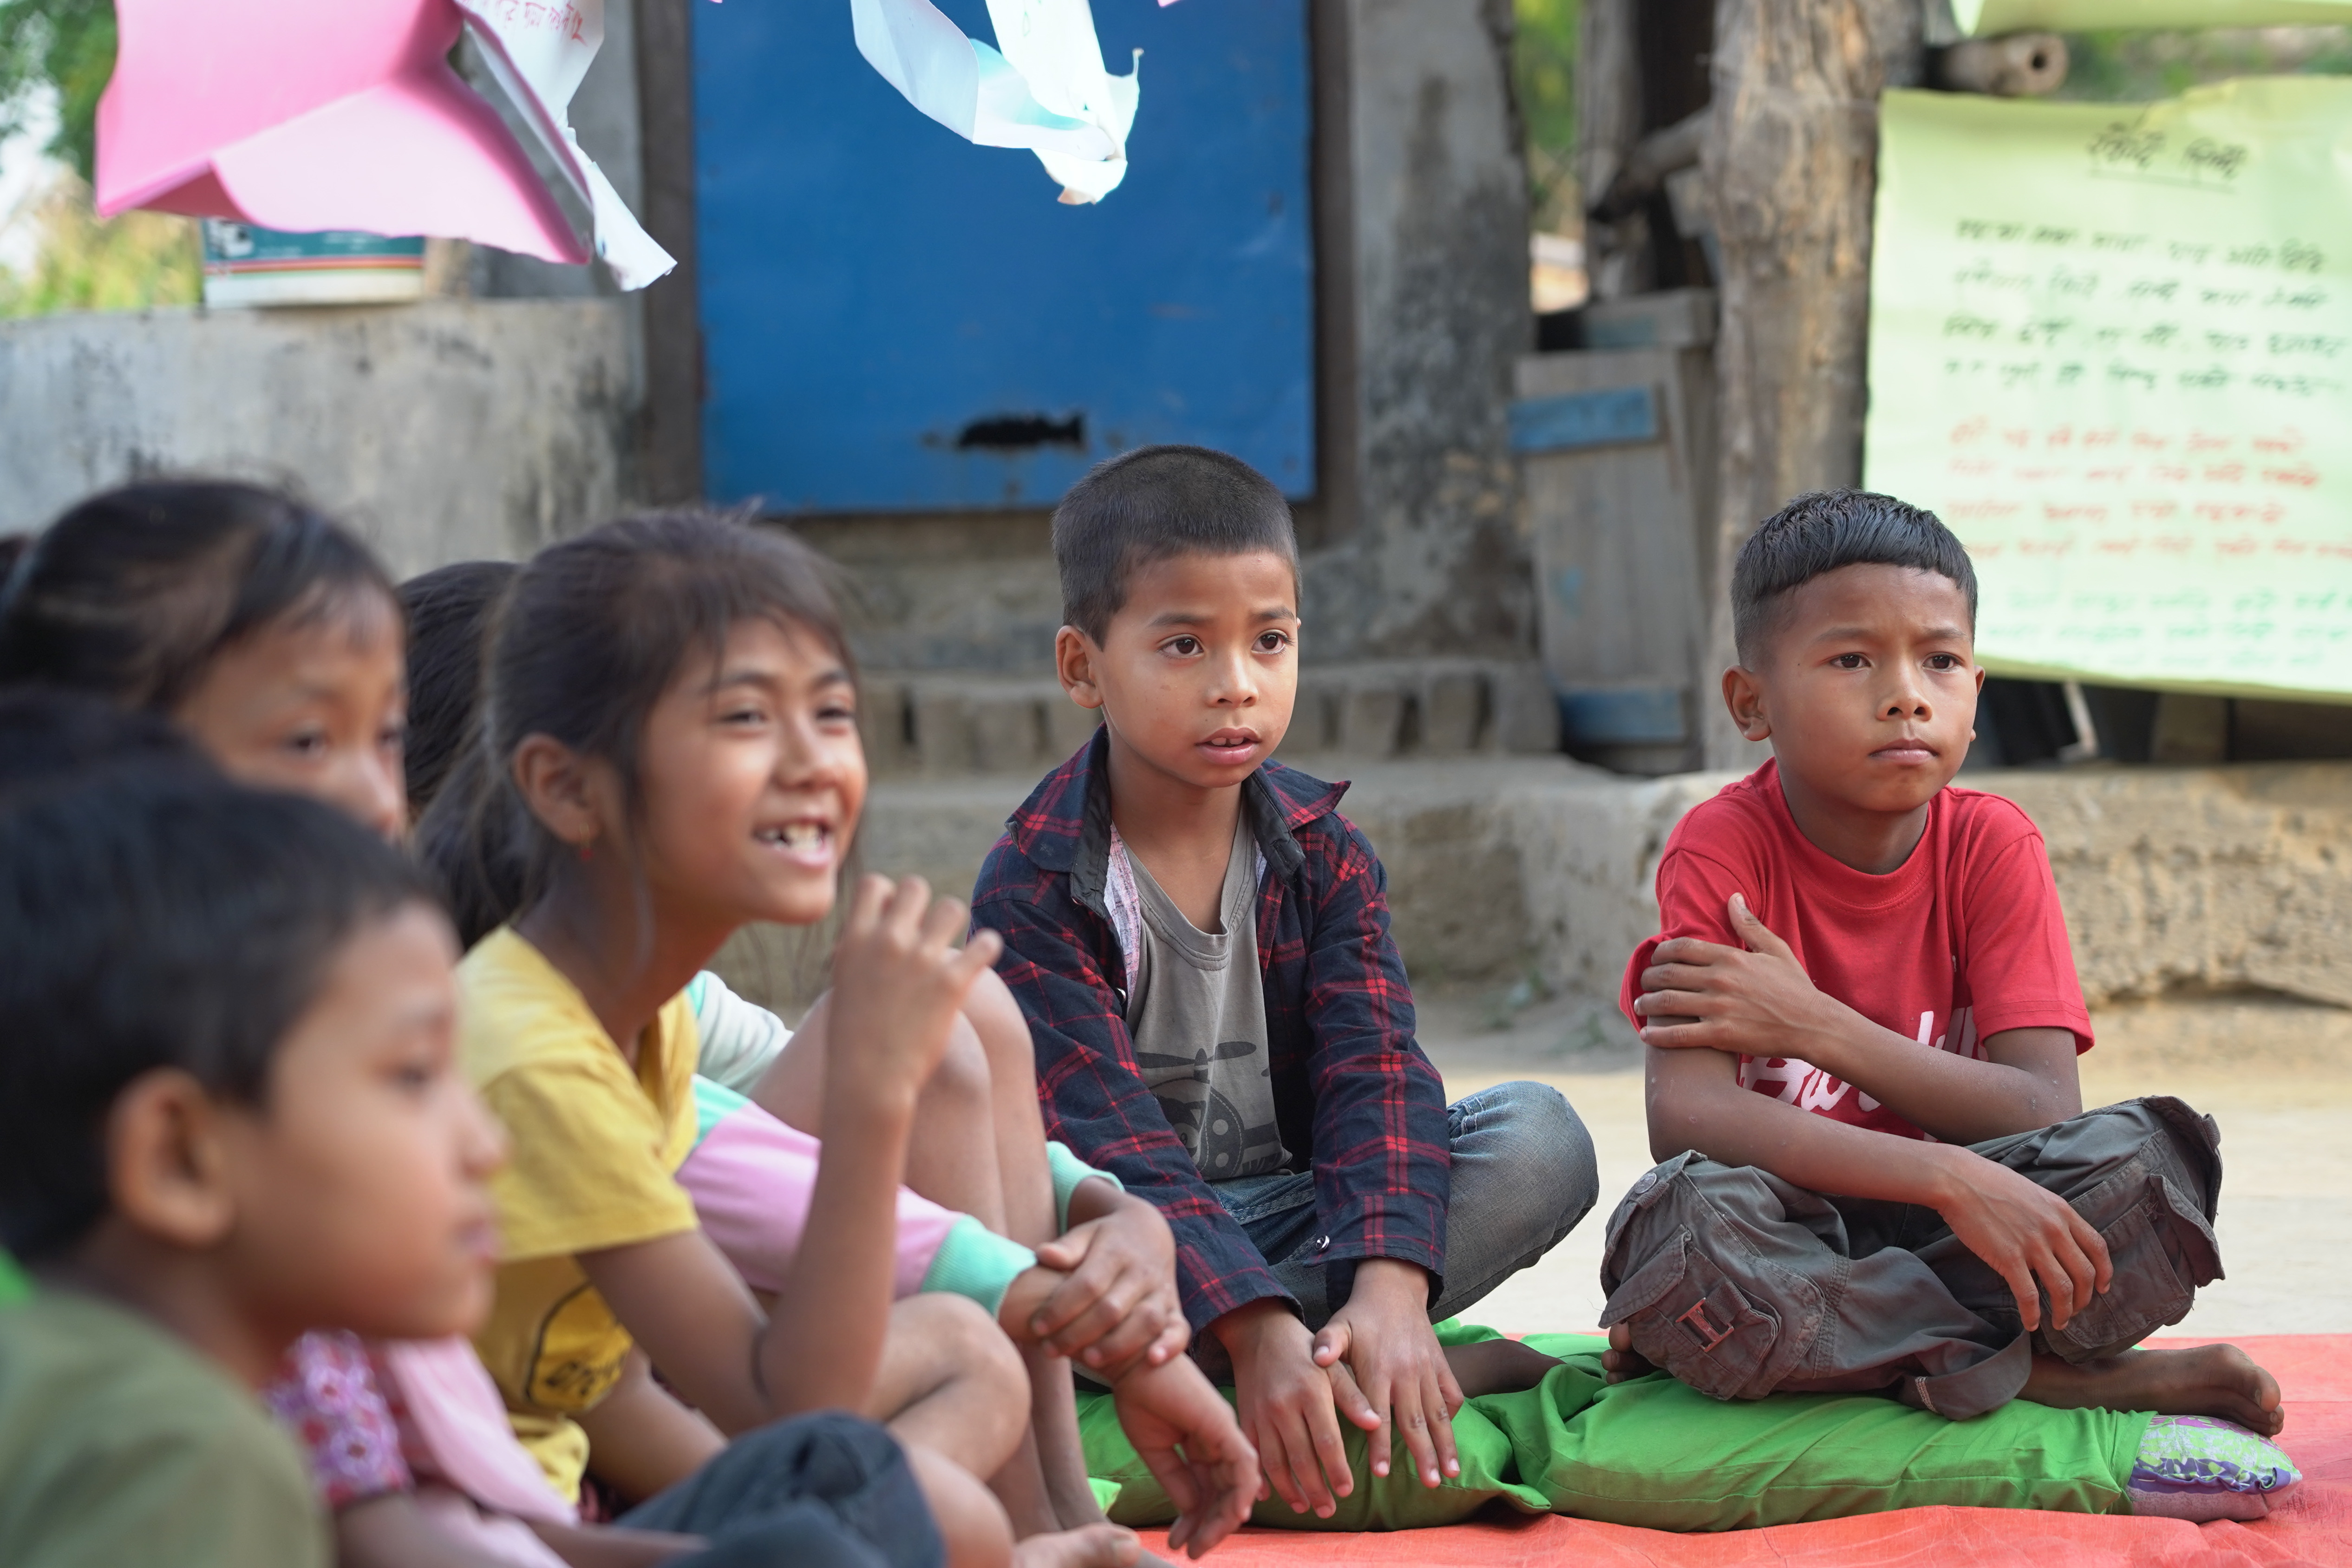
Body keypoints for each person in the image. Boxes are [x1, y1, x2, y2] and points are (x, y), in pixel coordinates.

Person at [417, 512, 1255, 1566]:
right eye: (744, 718)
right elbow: (785, 1400)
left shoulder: (644, 1017)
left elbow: (698, 1397)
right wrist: (869, 1102)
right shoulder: (532, 1053)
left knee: (943, 1499)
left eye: (832, 711)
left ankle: (1038, 1531)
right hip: (499, 1530)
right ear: (567, 786)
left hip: (593, 1482)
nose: (814, 761)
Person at [971, 445, 1601, 1521]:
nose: (1237, 683)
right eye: (1184, 644)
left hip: (1291, 1218)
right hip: (1118, 1237)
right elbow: (1112, 1144)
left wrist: (1394, 1281)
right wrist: (1253, 1326)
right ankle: (1299, 1353)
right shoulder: (1038, 884)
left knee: (1539, 1134)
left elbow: (1377, 1071)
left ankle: (1359, 1336)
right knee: (1000, 1279)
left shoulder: (1322, 850)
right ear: (1084, 667)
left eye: (1269, 640)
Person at [1611, 489, 2283, 1432]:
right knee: (1680, 1226)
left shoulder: (1993, 844)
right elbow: (1683, 1113)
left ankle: (1880, 1354)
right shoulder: (1721, 849)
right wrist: (1938, 1172)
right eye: (1852, 658)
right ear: (1750, 702)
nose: (1906, 693)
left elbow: (2045, 1107)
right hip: (1795, 1226)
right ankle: (2044, 1369)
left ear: (1977, 692)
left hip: (1975, 1229)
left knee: (2154, 1156)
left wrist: (1816, 1027)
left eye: (1941, 659)